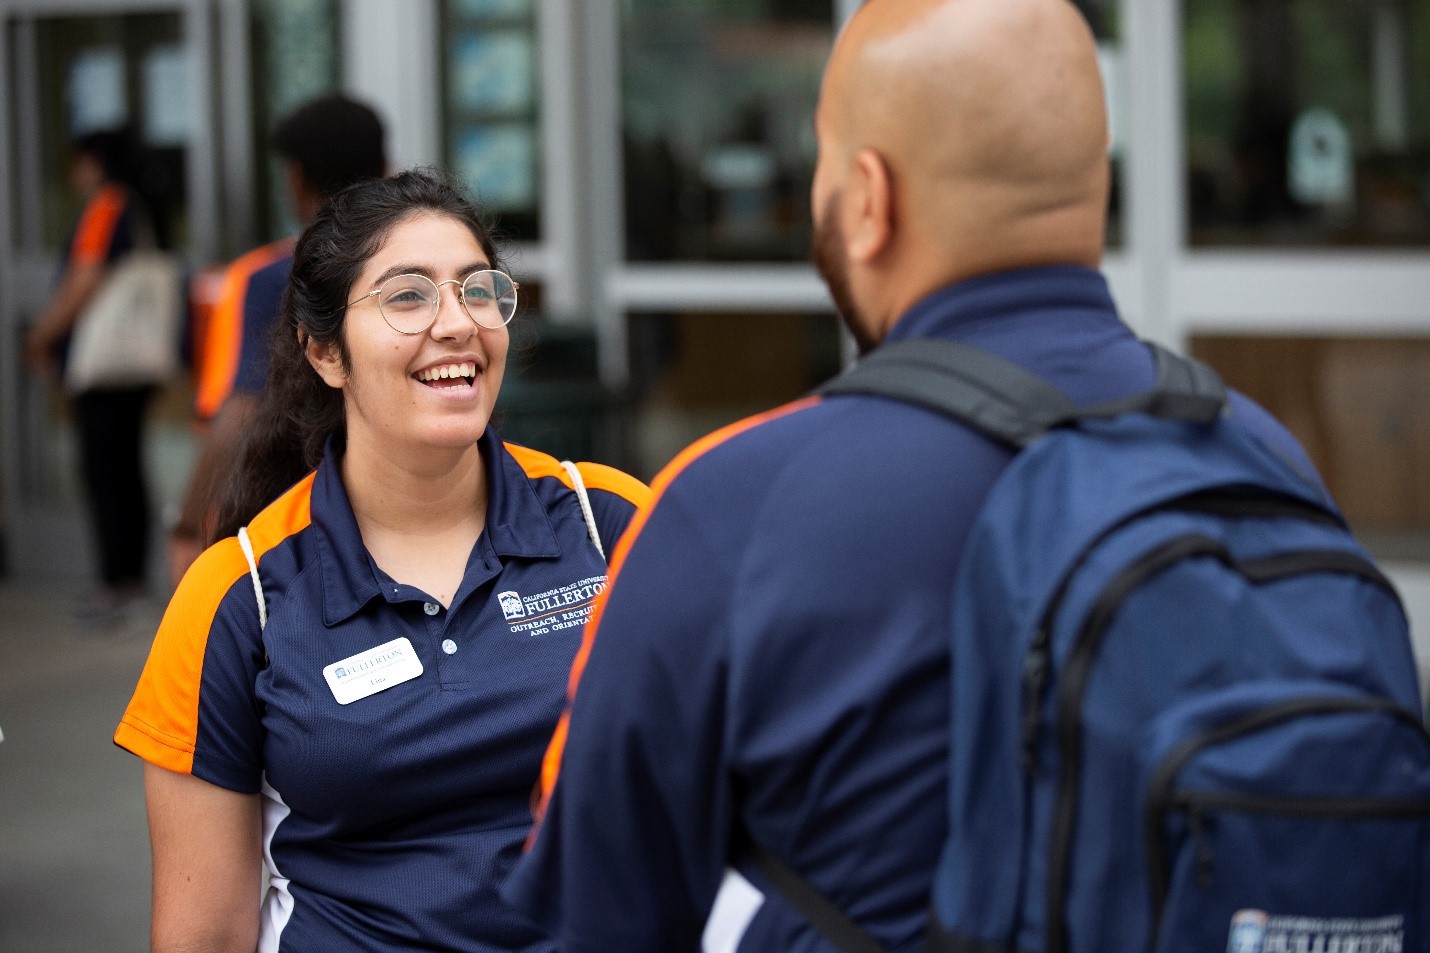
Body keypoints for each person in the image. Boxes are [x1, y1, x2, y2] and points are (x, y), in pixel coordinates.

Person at [502, 1, 1325, 950]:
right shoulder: (1269, 461)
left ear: (867, 196)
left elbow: (590, 913)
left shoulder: (736, 506)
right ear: (1092, 184)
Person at [114, 170, 650, 952]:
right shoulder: (241, 597)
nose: (457, 323)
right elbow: (203, 934)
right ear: (324, 350)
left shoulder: (610, 522)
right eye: (407, 296)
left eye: (477, 290)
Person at [169, 93, 387, 583]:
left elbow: (240, 410)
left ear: (297, 179)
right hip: (386, 511)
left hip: (279, 519)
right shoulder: (409, 270)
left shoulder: (265, 277)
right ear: (385, 168)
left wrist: (187, 525)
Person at [25, 127, 168, 621]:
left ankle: (117, 581)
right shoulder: (136, 205)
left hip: (107, 367)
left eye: (78, 160)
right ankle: (130, 581)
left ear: (94, 162)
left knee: (106, 470)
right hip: (132, 366)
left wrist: (42, 334)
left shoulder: (107, 205)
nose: (73, 172)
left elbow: (84, 279)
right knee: (125, 468)